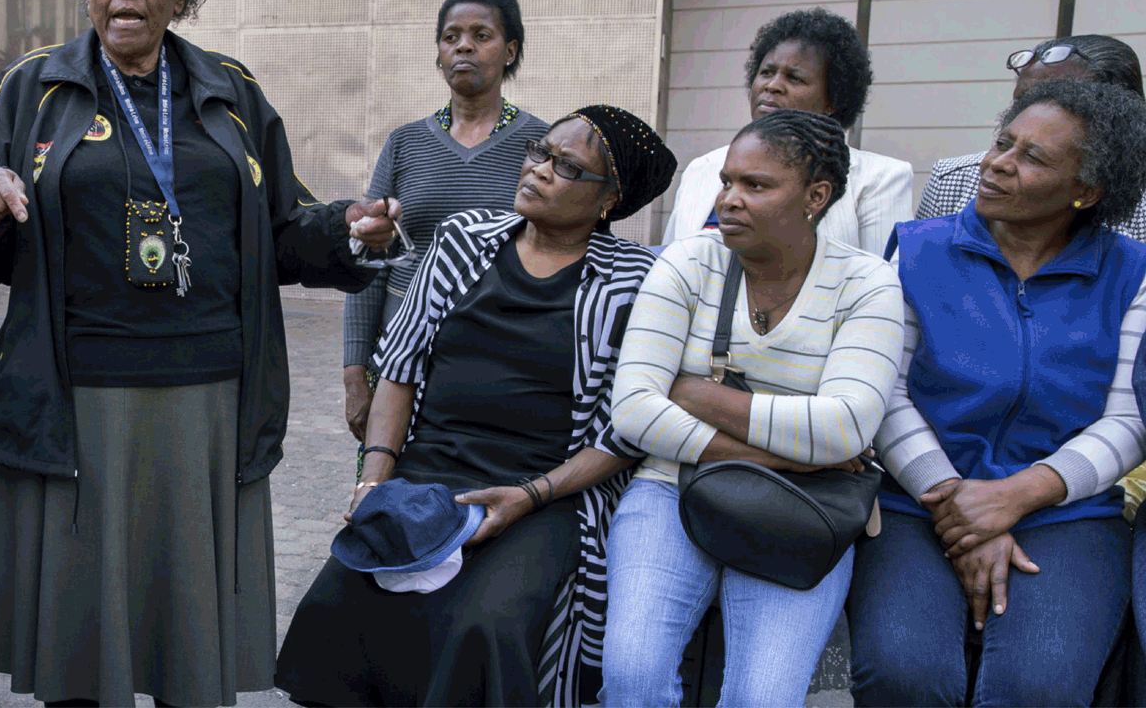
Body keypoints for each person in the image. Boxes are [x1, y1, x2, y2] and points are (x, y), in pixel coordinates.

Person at [0, 0, 396, 708]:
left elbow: (285, 227)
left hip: (207, 401)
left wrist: (352, 233)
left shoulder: (229, 91)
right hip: (76, 402)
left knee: (188, 642)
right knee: (80, 641)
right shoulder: (34, 88)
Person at [277, 106, 678, 707]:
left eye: (565, 166)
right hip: (429, 477)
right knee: (342, 598)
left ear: (610, 198)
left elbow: (623, 433)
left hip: (548, 495)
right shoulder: (465, 240)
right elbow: (401, 366)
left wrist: (531, 496)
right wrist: (375, 481)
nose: (538, 169)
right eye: (539, 151)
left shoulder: (634, 281)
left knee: (487, 623)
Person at [848, 79, 1146, 707]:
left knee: (1037, 689)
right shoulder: (917, 250)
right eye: (1002, 142)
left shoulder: (1133, 272)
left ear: (1086, 191)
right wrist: (963, 506)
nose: (996, 163)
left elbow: (1130, 417)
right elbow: (884, 390)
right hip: (915, 503)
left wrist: (1017, 495)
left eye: (1032, 158)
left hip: (1068, 510)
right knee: (906, 676)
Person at [605, 109, 905, 706]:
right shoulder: (690, 261)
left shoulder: (866, 283)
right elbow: (634, 411)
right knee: (632, 678)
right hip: (674, 486)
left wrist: (695, 393)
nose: (728, 200)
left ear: (815, 196)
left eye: (756, 185)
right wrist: (789, 459)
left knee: (763, 698)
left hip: (807, 510)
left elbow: (846, 427)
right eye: (727, 181)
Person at [340, 0, 551, 442]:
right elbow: (371, 258)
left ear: (510, 50)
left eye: (482, 35)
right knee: (390, 491)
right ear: (438, 53)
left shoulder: (542, 147)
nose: (464, 46)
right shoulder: (405, 144)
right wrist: (356, 372)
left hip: (500, 362)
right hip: (401, 361)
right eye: (450, 36)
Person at [662, 7, 913, 255]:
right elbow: (667, 262)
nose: (772, 86)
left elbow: (887, 278)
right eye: (766, 73)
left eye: (795, 78)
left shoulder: (879, 179)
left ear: (832, 101)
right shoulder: (702, 169)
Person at [914, 34, 1146, 239]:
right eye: (1023, 101)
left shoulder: (1129, 260)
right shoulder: (954, 179)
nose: (1039, 112)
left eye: (1066, 100)